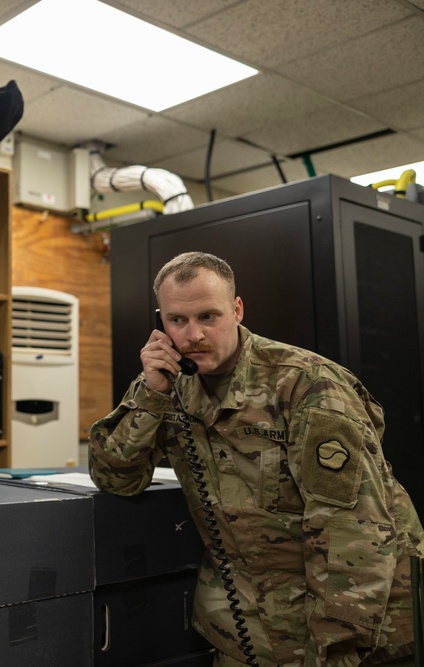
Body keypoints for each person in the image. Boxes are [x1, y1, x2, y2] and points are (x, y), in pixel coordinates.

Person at [89, 251, 422, 666]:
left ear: (237, 310)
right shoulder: (169, 386)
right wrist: (151, 394)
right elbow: (115, 476)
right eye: (178, 320)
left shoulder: (307, 386)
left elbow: (352, 529)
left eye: (208, 317)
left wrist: (338, 648)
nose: (193, 335)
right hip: (247, 626)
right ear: (161, 322)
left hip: (354, 629)